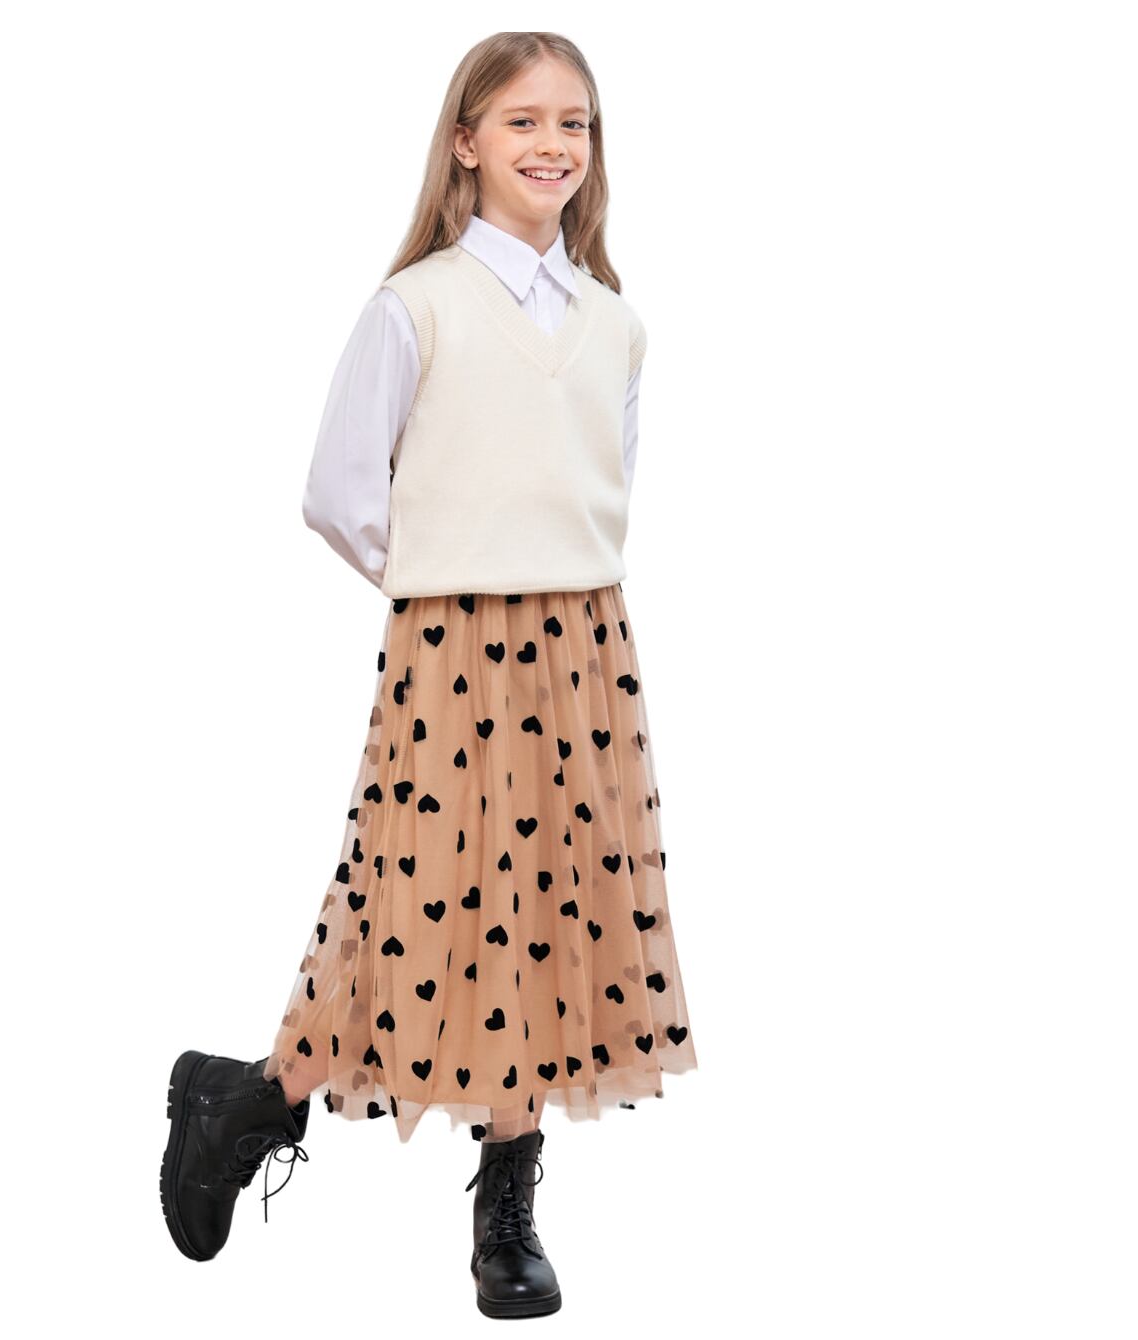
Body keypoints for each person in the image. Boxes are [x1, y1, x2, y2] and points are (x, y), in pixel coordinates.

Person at [159, 31, 698, 1319]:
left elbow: (599, 486)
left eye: (574, 122)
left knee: (557, 906)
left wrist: (539, 583)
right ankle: (255, 1100)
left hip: (585, 652)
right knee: (421, 897)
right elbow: (340, 493)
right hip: (454, 646)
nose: (553, 144)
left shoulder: (616, 324)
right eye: (522, 121)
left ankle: (506, 1199)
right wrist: (447, 585)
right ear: (466, 143)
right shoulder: (418, 307)